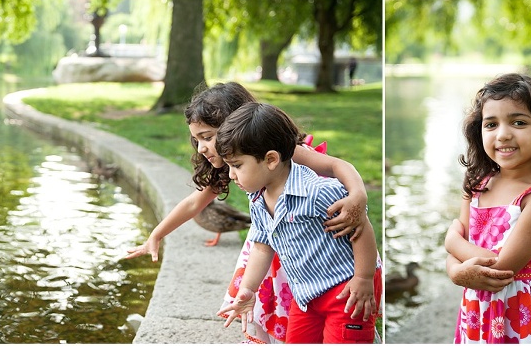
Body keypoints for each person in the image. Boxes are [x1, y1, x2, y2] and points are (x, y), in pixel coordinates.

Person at [125, 82, 374, 343]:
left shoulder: (286, 157)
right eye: (196, 139)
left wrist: (358, 195)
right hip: (273, 240)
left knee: (324, 312)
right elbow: (194, 204)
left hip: (314, 250)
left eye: (208, 137)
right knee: (284, 309)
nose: (201, 148)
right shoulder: (235, 168)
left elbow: (336, 166)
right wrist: (157, 234)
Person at [215, 102, 382, 344]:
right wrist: (248, 289)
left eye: (237, 165)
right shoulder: (258, 198)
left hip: (345, 294)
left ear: (271, 159)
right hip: (304, 298)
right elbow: (262, 246)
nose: (231, 175)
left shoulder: (317, 192)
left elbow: (361, 225)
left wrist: (364, 278)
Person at [444, 73, 531, 343]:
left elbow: (501, 267)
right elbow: (462, 253)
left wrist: (450, 241)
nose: (503, 134)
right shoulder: (477, 183)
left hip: (525, 311)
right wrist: (455, 270)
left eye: (518, 122)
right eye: (491, 124)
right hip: (477, 307)